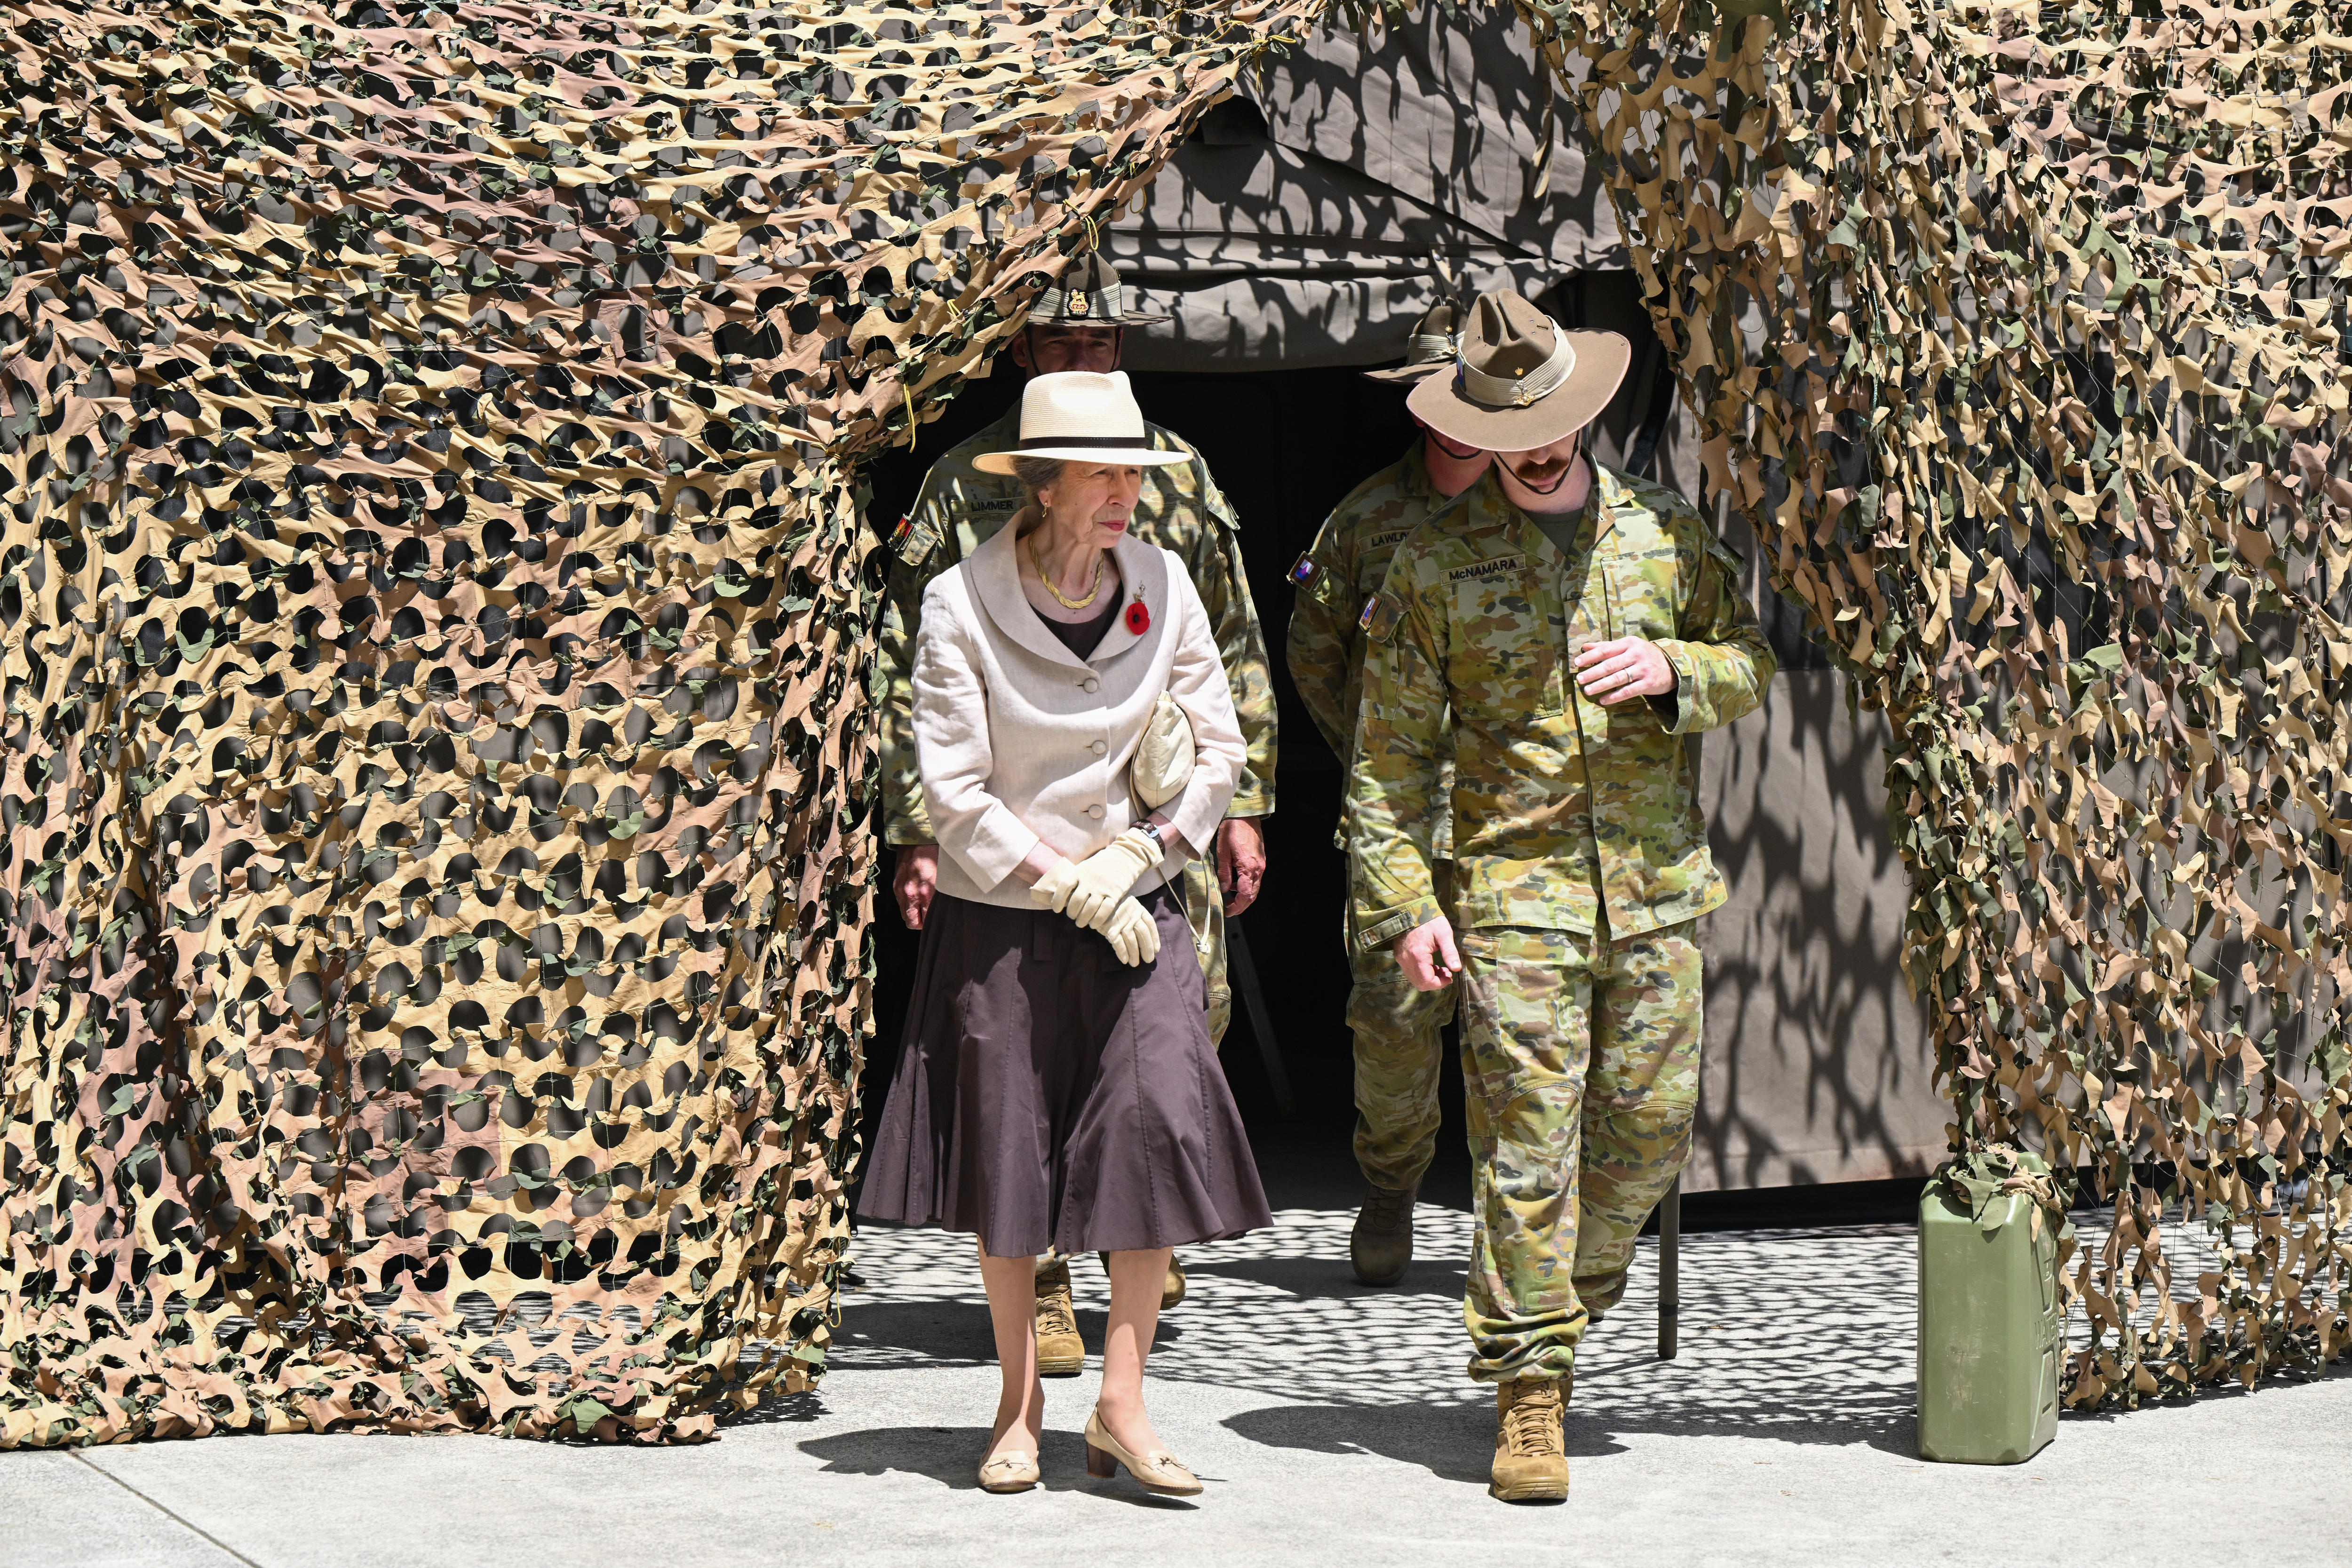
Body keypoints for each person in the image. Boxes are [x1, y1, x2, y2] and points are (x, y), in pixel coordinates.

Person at [1346, 291, 1775, 1502]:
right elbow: (1384, 762)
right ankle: (1530, 1392)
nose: (1532, 445)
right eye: (1506, 429)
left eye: (1549, 422)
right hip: (1510, 892)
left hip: (1651, 889)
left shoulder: (1660, 532)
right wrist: (1407, 905)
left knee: (1647, 1134)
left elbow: (1749, 657)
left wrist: (1672, 666)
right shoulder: (1432, 562)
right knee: (1526, 1148)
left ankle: (1569, 1295)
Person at [859, 369, 1272, 1497]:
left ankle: (1123, 1406)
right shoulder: (957, 600)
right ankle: (1017, 1403)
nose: (1126, 493)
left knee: (1152, 1128)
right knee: (1011, 1158)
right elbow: (951, 787)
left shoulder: (1166, 581)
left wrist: (1142, 858)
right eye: (1104, 473)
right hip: (1007, 921)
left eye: (1134, 471)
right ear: (1040, 486)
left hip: (1136, 916)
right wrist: (1065, 880)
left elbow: (1219, 745)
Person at [1283, 301, 1490, 1286]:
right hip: (1401, 825)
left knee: (1519, 1030)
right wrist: (1381, 760)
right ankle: (1392, 1190)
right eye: (1432, 392)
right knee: (1395, 1031)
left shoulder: (1550, 504)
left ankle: (1515, 1222)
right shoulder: (1363, 520)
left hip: (1519, 823)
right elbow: (1315, 655)